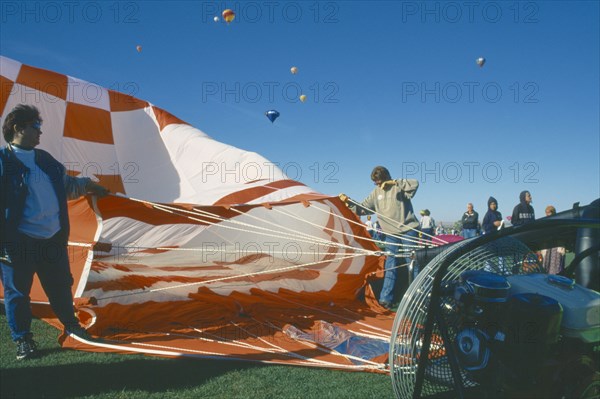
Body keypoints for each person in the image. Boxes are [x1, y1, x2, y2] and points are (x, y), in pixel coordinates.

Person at [0, 104, 109, 360]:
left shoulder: (45, 159)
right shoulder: (3, 162)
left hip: (52, 239)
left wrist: (90, 185)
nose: (40, 133)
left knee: (60, 288)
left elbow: (68, 185)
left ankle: (72, 327)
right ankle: (23, 340)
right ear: (18, 128)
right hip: (17, 242)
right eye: (36, 127)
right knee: (17, 294)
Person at [339, 166, 419, 310]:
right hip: (390, 233)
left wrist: (395, 182)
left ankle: (419, 296)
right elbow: (362, 208)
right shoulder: (376, 193)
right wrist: (348, 202)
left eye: (379, 181)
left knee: (412, 263)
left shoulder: (398, 187)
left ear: (386, 177)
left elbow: (415, 184)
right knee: (390, 264)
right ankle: (385, 299)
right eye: (375, 182)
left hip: (408, 230)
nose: (377, 184)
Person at [539, 205, 566, 274]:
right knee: (546, 263)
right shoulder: (545, 223)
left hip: (556, 246)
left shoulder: (558, 222)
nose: (547, 214)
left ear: (553, 212)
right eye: (546, 212)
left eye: (548, 212)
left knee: (556, 265)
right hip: (547, 246)